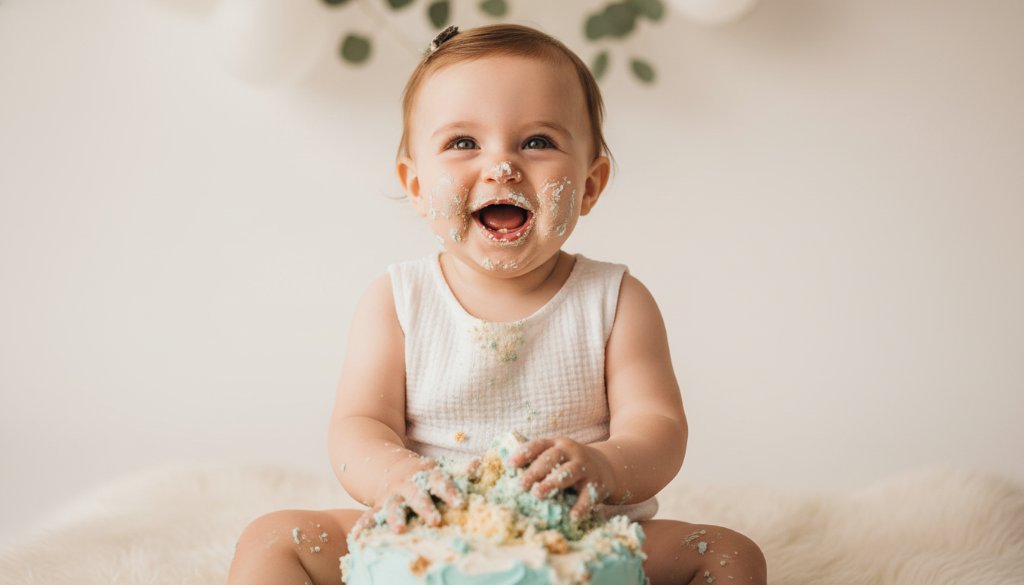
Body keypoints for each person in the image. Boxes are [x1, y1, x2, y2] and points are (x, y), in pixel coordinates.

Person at [228, 23, 767, 585]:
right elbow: (359, 424)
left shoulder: (615, 300)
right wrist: (395, 477)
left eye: (537, 142)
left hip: (581, 537)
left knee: (729, 553)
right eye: (463, 143)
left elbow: (658, 426)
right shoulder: (399, 300)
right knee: (271, 537)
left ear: (589, 184)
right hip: (427, 530)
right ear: (415, 185)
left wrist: (605, 467)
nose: (502, 166)